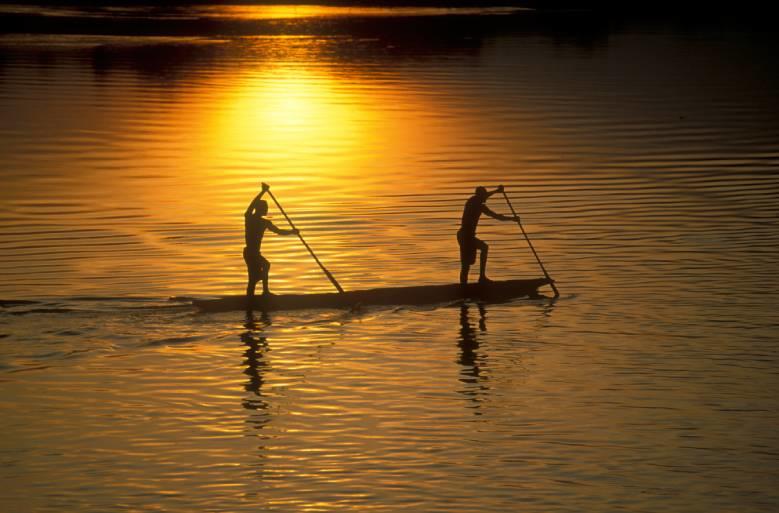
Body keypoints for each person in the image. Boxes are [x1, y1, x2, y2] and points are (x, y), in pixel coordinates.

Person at [244, 183, 298, 298]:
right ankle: (260, 295)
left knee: (256, 276)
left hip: (255, 253)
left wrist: (292, 232)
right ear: (258, 209)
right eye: (264, 209)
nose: (266, 211)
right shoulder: (249, 218)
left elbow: (279, 231)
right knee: (260, 271)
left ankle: (256, 297)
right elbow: (252, 204)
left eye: (267, 209)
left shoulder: (265, 222)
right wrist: (262, 192)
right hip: (250, 253)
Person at [457, 185, 518, 285]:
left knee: (472, 258)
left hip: (466, 236)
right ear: (480, 195)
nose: (486, 198)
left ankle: (478, 279)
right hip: (465, 236)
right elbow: (496, 216)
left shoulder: (475, 202)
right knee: (467, 263)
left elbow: (487, 200)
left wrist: (496, 191)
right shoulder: (475, 203)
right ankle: (466, 285)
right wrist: (512, 218)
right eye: (484, 195)